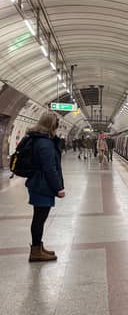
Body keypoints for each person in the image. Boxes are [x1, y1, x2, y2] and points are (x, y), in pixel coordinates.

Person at [24, 112, 65, 262]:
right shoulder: (45, 143)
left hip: (38, 183)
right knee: (39, 219)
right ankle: (36, 251)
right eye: (56, 124)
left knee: (39, 218)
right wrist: (58, 188)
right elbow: (50, 168)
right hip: (42, 185)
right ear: (51, 125)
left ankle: (38, 247)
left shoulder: (39, 139)